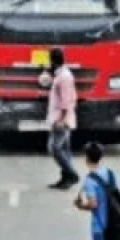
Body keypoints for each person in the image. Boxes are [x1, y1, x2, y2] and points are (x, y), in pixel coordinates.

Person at [46, 48, 79, 190]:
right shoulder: (61, 75)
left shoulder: (64, 77)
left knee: (54, 147)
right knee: (65, 149)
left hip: (61, 119)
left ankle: (72, 174)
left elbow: (66, 100)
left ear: (53, 60)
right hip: (61, 117)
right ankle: (65, 178)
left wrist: (63, 119)